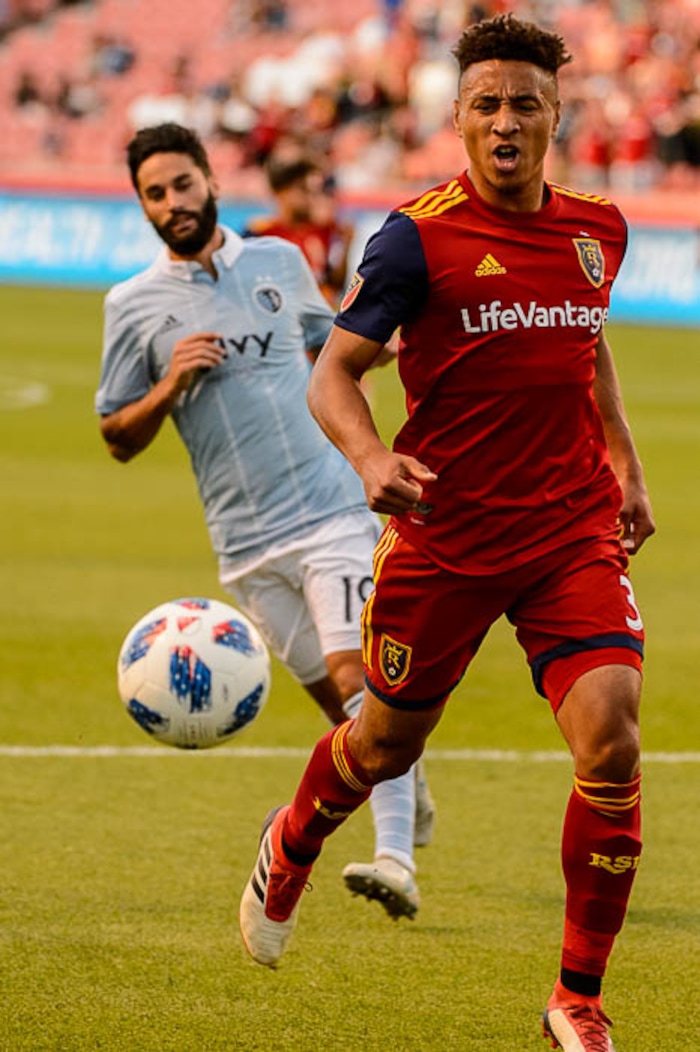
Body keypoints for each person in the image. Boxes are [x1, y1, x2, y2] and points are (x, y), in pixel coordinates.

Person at [239, 15, 655, 1051]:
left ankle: (575, 997)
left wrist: (624, 463)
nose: (505, 122)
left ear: (556, 114)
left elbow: (586, 344)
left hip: (569, 532)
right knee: (383, 743)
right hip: (446, 537)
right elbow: (333, 371)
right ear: (456, 120)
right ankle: (292, 839)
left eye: (524, 103)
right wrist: (374, 461)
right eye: (486, 105)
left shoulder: (595, 227)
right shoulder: (412, 239)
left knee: (610, 735)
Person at [94, 121, 435, 922]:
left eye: (182, 184)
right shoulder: (132, 306)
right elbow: (115, 436)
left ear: (210, 179)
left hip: (330, 512)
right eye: (155, 193)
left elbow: (338, 348)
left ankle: (395, 860)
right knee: (344, 711)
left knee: (361, 683)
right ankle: (407, 794)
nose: (172, 202)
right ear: (142, 206)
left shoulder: (279, 264)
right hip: (245, 547)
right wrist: (167, 386)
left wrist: (405, 327)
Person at [243, 150, 355, 308]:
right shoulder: (259, 233)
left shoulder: (323, 230)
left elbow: (333, 284)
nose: (311, 198)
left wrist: (346, 246)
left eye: (315, 191)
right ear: (281, 192)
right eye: (303, 190)